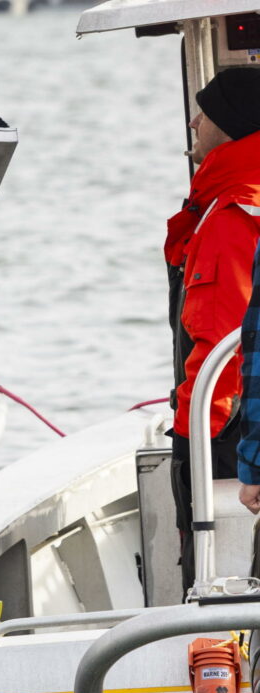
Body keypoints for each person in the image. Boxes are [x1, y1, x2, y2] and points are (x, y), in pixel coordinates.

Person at [155, 72, 260, 512]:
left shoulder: (230, 217)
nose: (194, 122)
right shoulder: (231, 201)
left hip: (225, 435)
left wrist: (192, 441)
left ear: (231, 126)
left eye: (206, 112)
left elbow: (224, 347)